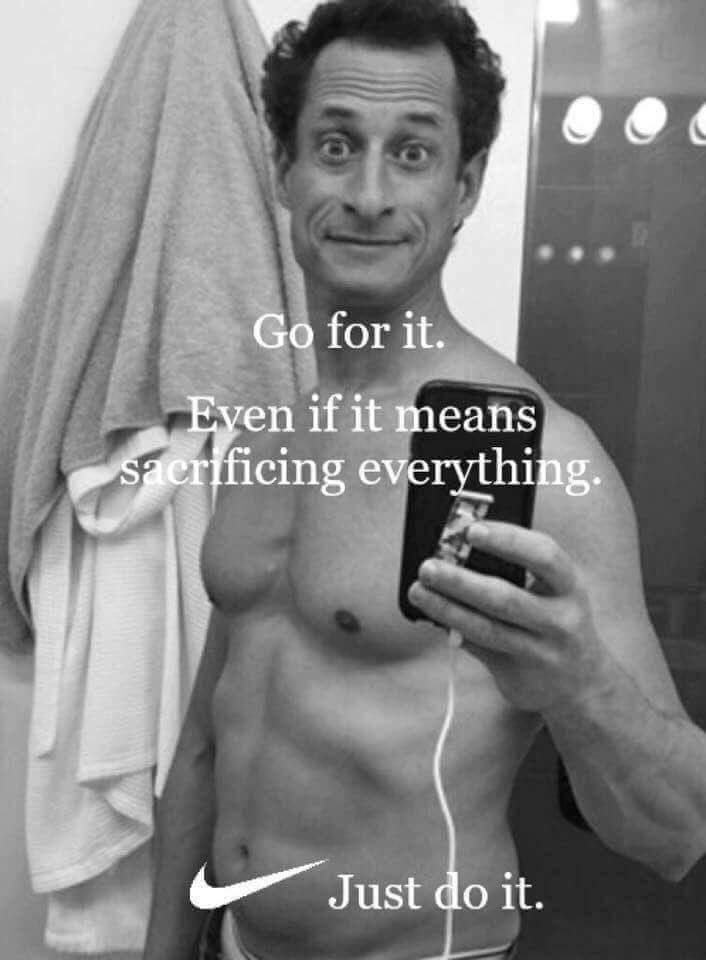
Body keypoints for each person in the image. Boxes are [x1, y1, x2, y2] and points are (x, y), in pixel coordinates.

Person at [144, 2, 706, 958]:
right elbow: (206, 743)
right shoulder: (269, 437)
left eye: (412, 153)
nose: (368, 194)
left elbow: (677, 835)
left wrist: (579, 683)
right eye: (335, 146)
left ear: (465, 184)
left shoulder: (549, 462)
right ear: (283, 169)